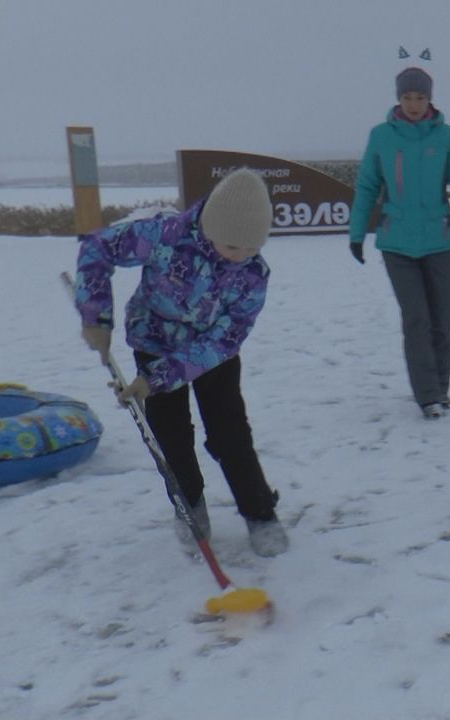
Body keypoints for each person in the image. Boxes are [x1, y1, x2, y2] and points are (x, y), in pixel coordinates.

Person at [74, 168, 288, 557]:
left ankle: (260, 513)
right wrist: (96, 317)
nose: (240, 257)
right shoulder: (163, 236)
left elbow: (226, 337)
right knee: (169, 434)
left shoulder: (254, 275)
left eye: (251, 249)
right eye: (231, 247)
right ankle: (189, 506)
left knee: (231, 433)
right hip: (154, 339)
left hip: (212, 354)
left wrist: (155, 380)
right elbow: (96, 247)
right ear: (210, 226)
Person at [348, 67, 450, 419]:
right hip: (397, 244)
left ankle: (441, 390)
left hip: (439, 241)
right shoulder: (382, 137)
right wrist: (356, 234)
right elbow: (367, 187)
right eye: (407, 97)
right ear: (398, 99)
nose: (413, 104)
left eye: (420, 97)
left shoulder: (447, 138)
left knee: (442, 320)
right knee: (416, 318)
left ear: (430, 99)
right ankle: (427, 395)